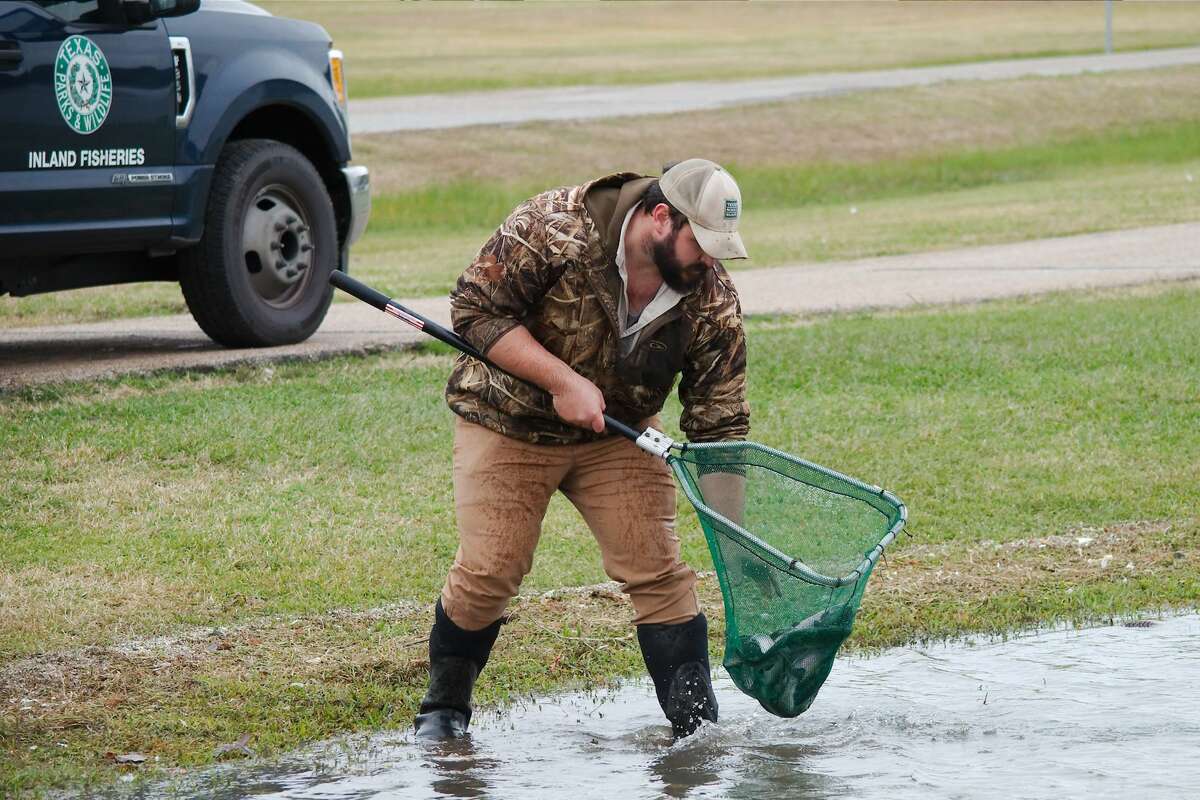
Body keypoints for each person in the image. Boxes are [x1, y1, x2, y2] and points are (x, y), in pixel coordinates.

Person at [413, 159, 750, 741]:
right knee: (490, 570)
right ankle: (443, 712)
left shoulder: (709, 297)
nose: (710, 261)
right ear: (660, 218)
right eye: (702, 242)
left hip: (617, 435)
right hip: (508, 422)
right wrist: (561, 381)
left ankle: (696, 732)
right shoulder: (553, 226)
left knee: (660, 573)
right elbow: (475, 310)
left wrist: (737, 543)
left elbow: (719, 424)